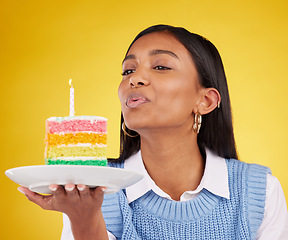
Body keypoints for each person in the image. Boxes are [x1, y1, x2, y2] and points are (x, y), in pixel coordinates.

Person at [19, 24, 288, 240]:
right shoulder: (90, 192)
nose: (134, 79)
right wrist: (84, 221)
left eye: (160, 66)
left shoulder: (260, 192)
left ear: (205, 101)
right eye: (128, 70)